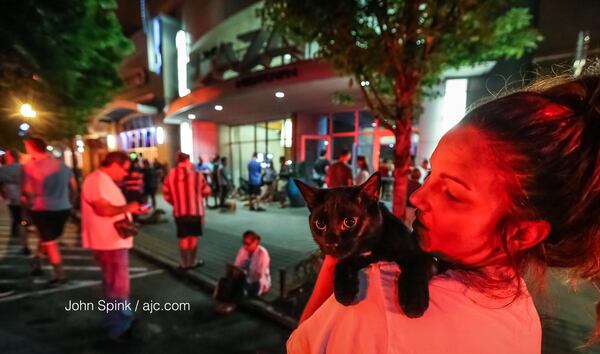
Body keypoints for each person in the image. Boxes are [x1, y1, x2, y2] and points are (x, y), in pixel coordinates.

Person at [287, 75, 600, 353]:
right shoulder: (523, 311)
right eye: (430, 176)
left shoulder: (378, 303)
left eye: (452, 193)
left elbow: (302, 344)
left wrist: (334, 262)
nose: (417, 197)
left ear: (522, 232)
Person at [81, 151, 146, 340]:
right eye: (124, 169)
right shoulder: (97, 180)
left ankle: (119, 320)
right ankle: (119, 327)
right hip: (108, 242)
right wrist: (129, 208)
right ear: (115, 165)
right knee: (117, 286)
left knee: (113, 284)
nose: (126, 174)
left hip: (112, 241)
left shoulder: (102, 181)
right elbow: (103, 209)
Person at [22, 137, 76, 285]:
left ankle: (60, 274)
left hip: (42, 208)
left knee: (49, 241)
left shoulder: (30, 167)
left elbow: (28, 192)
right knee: (49, 237)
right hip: (63, 208)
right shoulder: (62, 165)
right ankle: (38, 260)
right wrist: (71, 204)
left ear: (31, 148)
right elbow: (73, 187)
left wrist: (26, 207)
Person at [163, 152, 211, 270]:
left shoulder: (170, 175)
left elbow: (166, 195)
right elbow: (207, 191)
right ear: (187, 161)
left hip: (180, 213)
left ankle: (184, 263)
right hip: (195, 212)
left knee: (183, 239)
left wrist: (177, 203)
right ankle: (192, 261)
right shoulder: (197, 175)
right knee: (193, 238)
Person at [214, 230, 271, 313]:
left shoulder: (262, 253)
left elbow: (257, 276)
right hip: (245, 276)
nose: (245, 246)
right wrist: (233, 271)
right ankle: (223, 300)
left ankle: (232, 304)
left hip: (259, 282)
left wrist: (244, 275)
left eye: (248, 243)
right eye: (243, 243)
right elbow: (237, 265)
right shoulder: (243, 249)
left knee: (242, 283)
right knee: (228, 279)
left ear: (255, 242)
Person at [0, 149, 29, 254]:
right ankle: (22, 229)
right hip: (25, 199)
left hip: (12, 199)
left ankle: (22, 239)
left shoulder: (4, 169)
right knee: (23, 220)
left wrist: (4, 195)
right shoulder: (25, 168)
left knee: (18, 219)